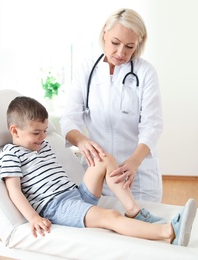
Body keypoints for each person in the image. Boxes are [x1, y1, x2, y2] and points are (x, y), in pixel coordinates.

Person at [0, 96, 197, 247]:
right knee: (110, 216)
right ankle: (168, 233)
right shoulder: (10, 153)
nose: (43, 136)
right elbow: (14, 190)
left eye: (44, 130)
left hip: (74, 195)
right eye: (36, 132)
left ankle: (134, 212)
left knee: (102, 158)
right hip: (57, 206)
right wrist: (33, 218)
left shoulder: (43, 145)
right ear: (15, 131)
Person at [60, 8, 164, 202]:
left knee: (142, 225)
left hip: (137, 175)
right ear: (104, 34)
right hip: (97, 173)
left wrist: (134, 162)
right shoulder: (86, 70)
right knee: (102, 228)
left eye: (129, 46)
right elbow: (69, 120)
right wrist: (82, 141)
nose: (120, 52)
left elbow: (153, 126)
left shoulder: (145, 73)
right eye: (115, 43)